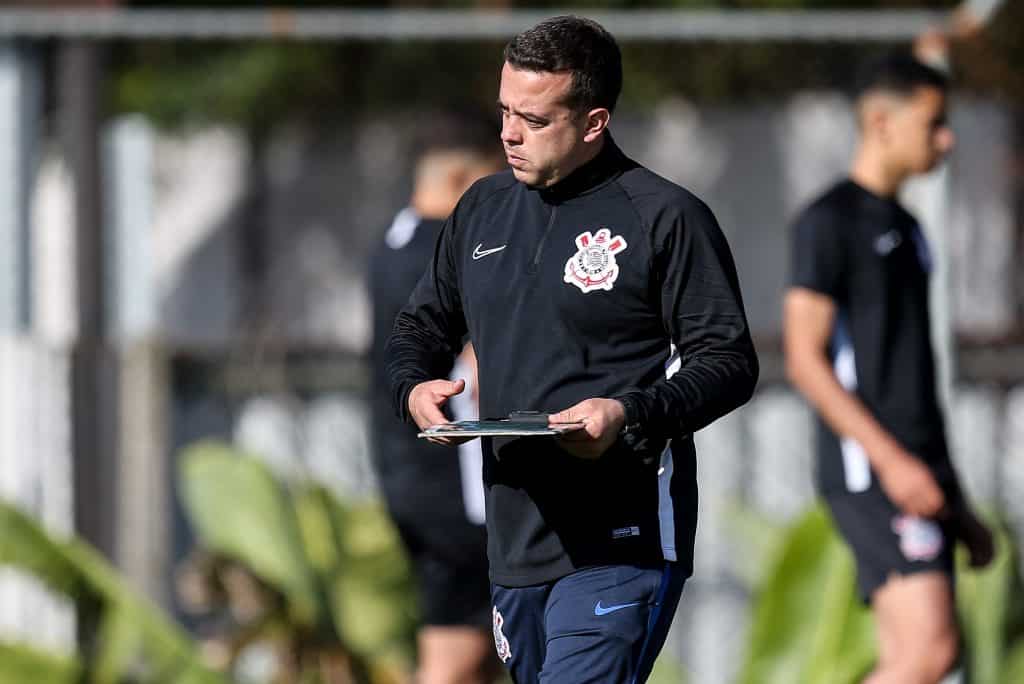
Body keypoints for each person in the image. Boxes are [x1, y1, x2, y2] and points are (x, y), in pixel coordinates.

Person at [386, 16, 758, 683]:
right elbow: (419, 328)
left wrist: (629, 414)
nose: (508, 133)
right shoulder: (481, 209)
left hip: (621, 537)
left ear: (593, 123)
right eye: (504, 111)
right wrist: (414, 386)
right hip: (514, 540)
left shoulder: (665, 217)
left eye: (533, 119)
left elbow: (728, 362)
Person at [783, 51, 994, 684]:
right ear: (880, 121)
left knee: (915, 655)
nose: (946, 139)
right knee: (930, 653)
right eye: (934, 124)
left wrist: (955, 498)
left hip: (919, 470)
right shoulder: (828, 222)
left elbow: (913, 376)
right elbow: (805, 358)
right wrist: (891, 461)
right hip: (872, 469)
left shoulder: (908, 227)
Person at [368, 126, 502, 684]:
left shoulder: (393, 241)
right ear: (459, 178)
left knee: (464, 647)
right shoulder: (445, 252)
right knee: (460, 655)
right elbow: (480, 362)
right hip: (453, 481)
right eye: (491, 184)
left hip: (406, 474)